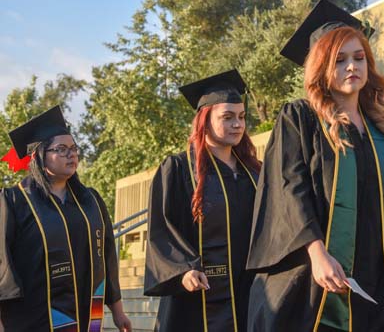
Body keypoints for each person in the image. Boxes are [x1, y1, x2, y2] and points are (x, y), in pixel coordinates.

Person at [246, 0, 384, 332]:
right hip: (318, 277)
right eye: (339, 60)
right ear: (321, 66)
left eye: (359, 58)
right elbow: (288, 190)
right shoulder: (300, 119)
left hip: (381, 279)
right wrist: (316, 253)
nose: (351, 67)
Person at [144, 70, 261, 331]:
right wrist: (183, 269)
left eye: (242, 117)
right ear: (205, 121)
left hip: (248, 291)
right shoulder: (179, 169)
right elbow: (162, 228)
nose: (238, 125)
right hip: (197, 296)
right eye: (227, 117)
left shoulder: (254, 172)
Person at [0, 106, 131, 332]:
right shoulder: (14, 201)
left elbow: (107, 256)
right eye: (61, 149)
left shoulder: (90, 201)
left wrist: (118, 312)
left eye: (73, 148)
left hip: (87, 317)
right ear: (39, 156)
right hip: (34, 318)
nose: (71, 154)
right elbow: (2, 263)